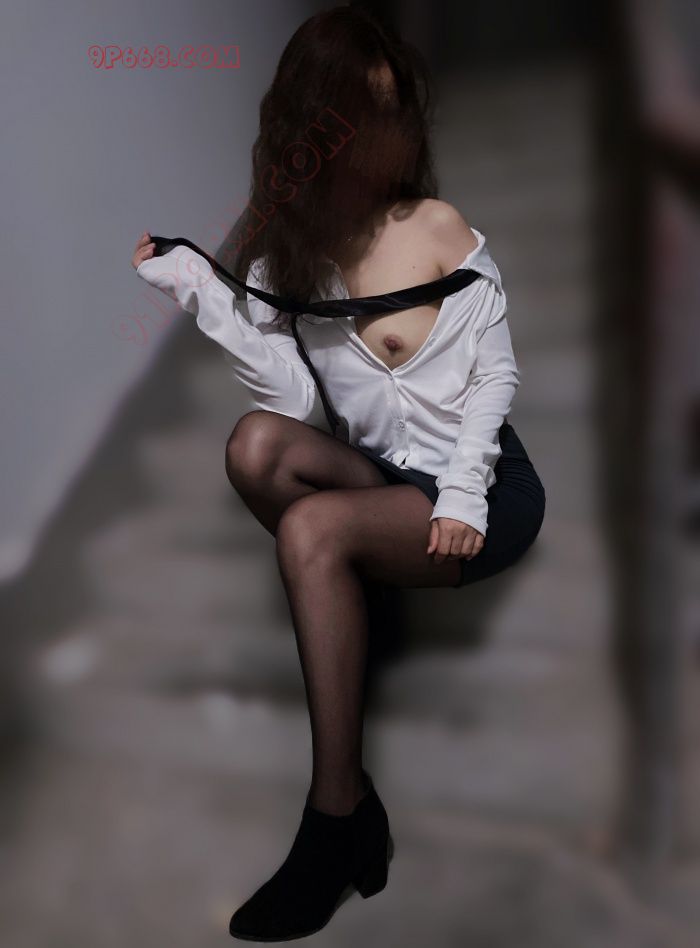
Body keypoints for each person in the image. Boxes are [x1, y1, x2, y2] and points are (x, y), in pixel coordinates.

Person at [131, 6, 545, 941]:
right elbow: (293, 400)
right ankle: (356, 607)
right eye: (368, 115)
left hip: (481, 487)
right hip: (381, 476)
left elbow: (497, 376)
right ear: (316, 125)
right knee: (253, 443)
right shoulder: (294, 256)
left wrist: (466, 494)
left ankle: (337, 816)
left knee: (312, 527)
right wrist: (200, 290)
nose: (390, 137)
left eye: (397, 111)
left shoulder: (432, 225)